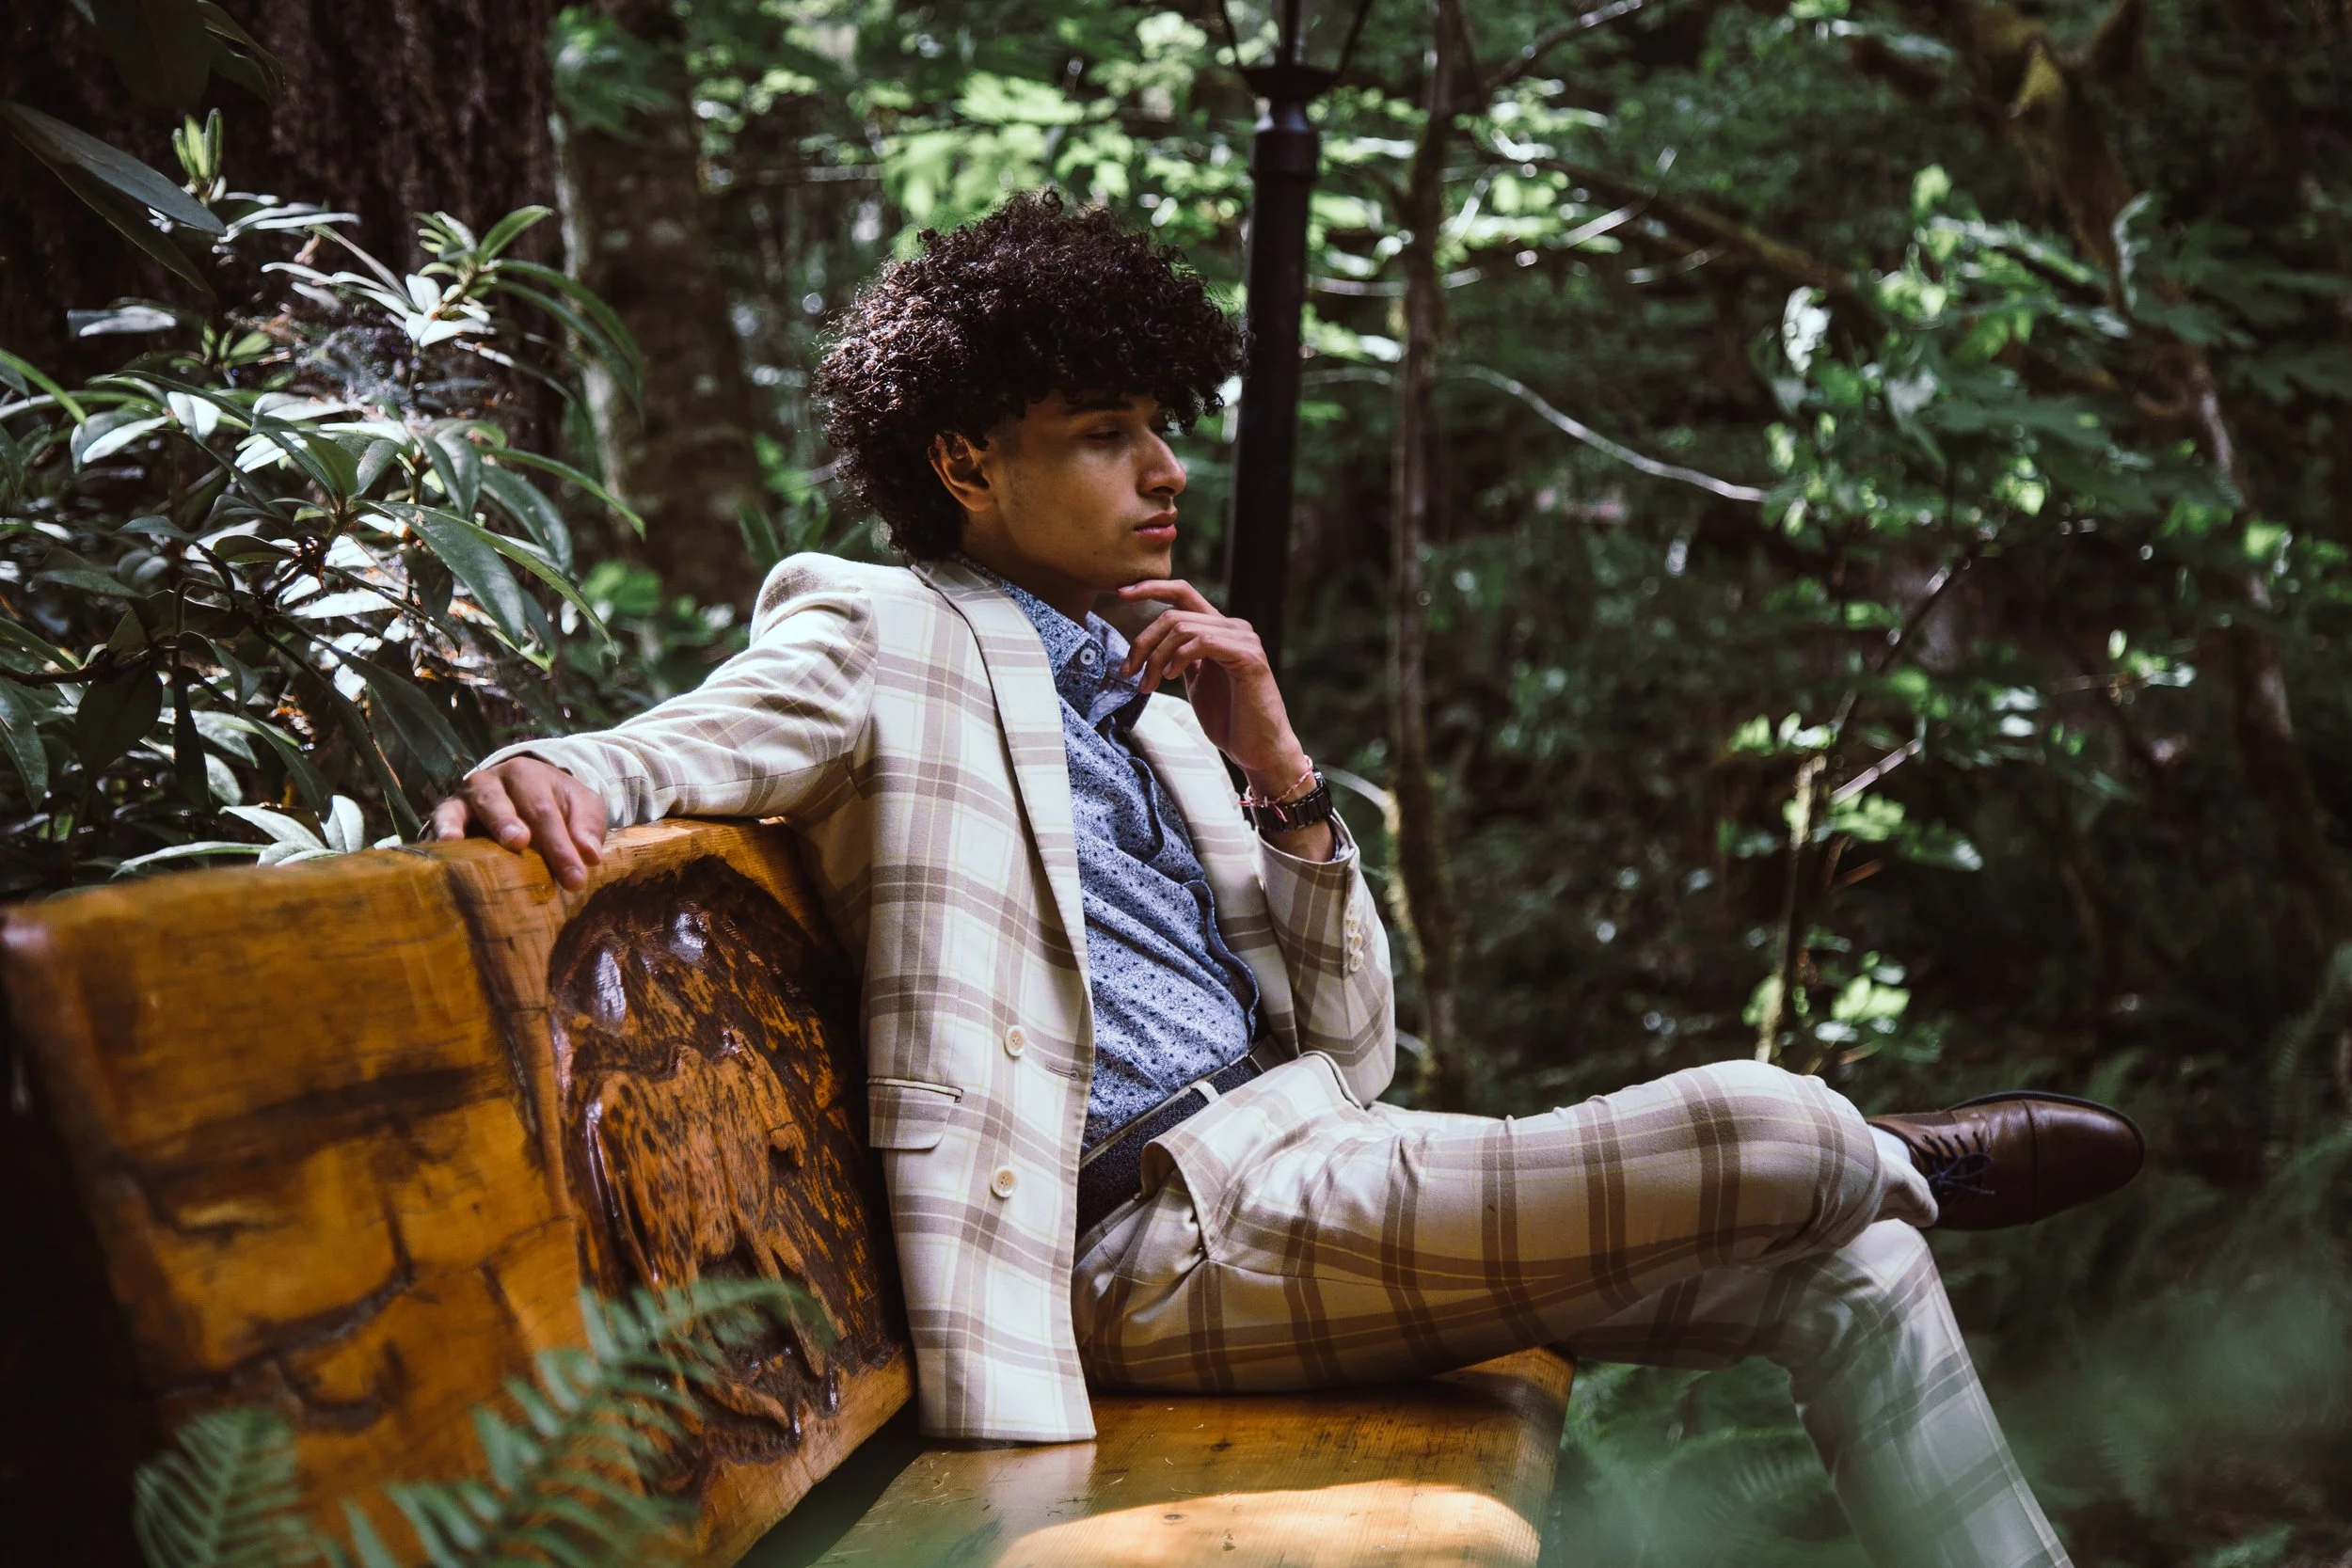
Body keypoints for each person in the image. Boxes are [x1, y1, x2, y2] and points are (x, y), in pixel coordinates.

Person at [431, 192, 2138, 1568]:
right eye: (1106, 433)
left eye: (1162, 427)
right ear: (966, 462)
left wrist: (1279, 764)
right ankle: (1865, 1141)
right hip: (1153, 1237)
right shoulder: (888, 632)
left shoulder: (1156, 695)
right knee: (1775, 1134)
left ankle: (1860, 1177)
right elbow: (699, 735)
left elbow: (1357, 1039)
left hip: (1316, 1156)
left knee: (1859, 1269)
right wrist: (570, 768)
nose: (1165, 470)